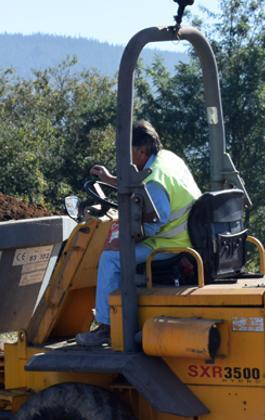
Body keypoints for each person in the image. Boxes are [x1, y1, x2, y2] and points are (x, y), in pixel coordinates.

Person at [75, 121, 202, 347]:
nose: (123, 158)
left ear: (141, 150)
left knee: (110, 258)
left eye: (127, 152)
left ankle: (106, 326)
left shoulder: (154, 183)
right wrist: (110, 180)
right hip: (186, 238)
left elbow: (153, 223)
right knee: (116, 252)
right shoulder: (167, 159)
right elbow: (140, 182)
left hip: (169, 244)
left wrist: (122, 241)